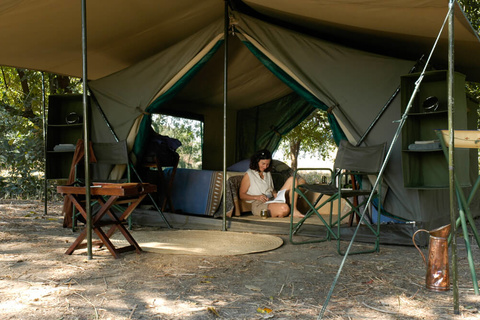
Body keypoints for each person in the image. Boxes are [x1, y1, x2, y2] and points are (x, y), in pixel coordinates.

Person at [239, 149, 305, 218]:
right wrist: (257, 197)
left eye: (267, 164)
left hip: (271, 199)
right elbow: (242, 195)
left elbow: (271, 189)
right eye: (263, 164)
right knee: (284, 208)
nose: (265, 166)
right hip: (258, 204)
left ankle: (294, 210)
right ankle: (280, 210)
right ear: (256, 162)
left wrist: (275, 193)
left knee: (293, 179)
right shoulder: (249, 174)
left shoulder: (267, 172)